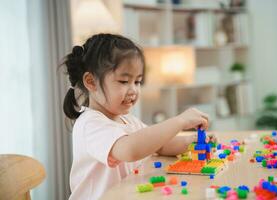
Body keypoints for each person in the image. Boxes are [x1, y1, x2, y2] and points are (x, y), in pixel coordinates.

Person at [62, 33, 209, 199]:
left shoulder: (127, 120)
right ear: (91, 82)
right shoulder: (90, 124)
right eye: (124, 81)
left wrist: (191, 141)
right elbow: (129, 150)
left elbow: (160, 145)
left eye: (137, 82)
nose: (133, 90)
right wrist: (180, 121)